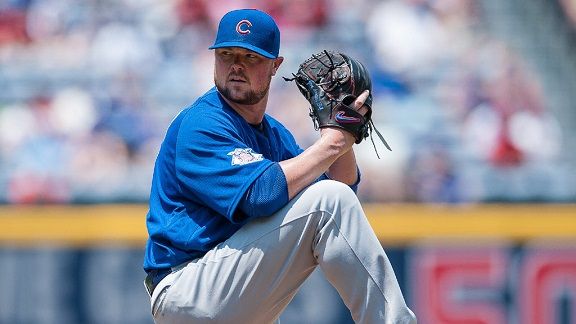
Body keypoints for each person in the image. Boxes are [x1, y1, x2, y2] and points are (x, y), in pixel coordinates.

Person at [143, 8, 416, 324]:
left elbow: (340, 195)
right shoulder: (201, 123)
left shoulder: (274, 135)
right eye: (227, 54)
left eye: (250, 57)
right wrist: (333, 141)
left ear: (275, 65)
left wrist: (342, 124)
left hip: (231, 289)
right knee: (328, 202)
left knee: (331, 200)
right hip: (189, 286)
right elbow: (262, 195)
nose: (236, 66)